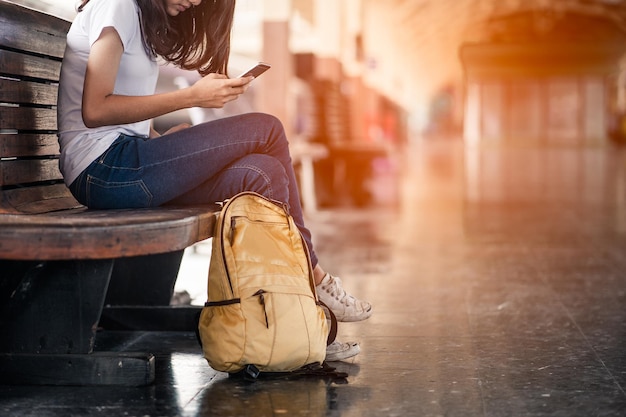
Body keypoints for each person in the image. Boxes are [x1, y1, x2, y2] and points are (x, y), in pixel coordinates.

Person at [57, 0, 372, 361]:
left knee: (261, 172)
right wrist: (190, 97)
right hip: (105, 171)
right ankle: (314, 279)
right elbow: (95, 110)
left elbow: (121, 120)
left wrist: (163, 144)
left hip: (125, 163)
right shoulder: (117, 5)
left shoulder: (138, 17)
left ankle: (297, 329)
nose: (195, 2)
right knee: (267, 129)